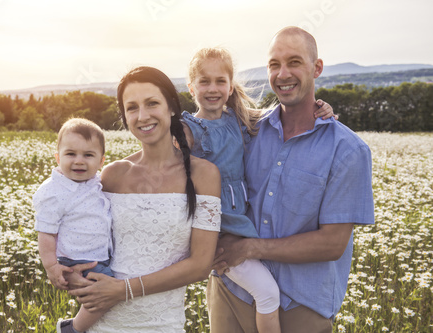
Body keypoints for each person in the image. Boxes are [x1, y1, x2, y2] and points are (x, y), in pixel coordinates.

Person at [209, 27, 375, 333]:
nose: (283, 74)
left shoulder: (348, 150)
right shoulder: (249, 129)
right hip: (233, 290)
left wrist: (249, 249)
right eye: (274, 64)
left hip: (300, 306)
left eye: (294, 62)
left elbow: (332, 244)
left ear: (317, 68)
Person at [182, 47, 336, 333]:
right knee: (267, 294)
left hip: (239, 226)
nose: (212, 89)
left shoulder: (237, 120)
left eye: (220, 81)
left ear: (230, 88)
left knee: (265, 290)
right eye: (204, 82)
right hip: (217, 234)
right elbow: (159, 160)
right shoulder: (188, 129)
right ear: (191, 87)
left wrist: (319, 107)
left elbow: (279, 117)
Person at [62, 66, 222, 332]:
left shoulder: (204, 175)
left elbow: (200, 265)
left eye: (152, 103)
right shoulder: (112, 174)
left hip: (163, 324)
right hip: (101, 322)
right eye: (132, 107)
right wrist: (72, 275)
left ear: (171, 107)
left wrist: (123, 290)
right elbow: (81, 232)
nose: (143, 116)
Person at [33, 118, 114, 333]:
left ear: (101, 161)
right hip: (77, 258)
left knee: (105, 293)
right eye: (71, 154)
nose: (79, 161)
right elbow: (46, 233)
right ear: (58, 158)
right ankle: (72, 329)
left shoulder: (95, 181)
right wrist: (51, 266)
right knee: (107, 292)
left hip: (97, 254)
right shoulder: (54, 192)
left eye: (88, 155)